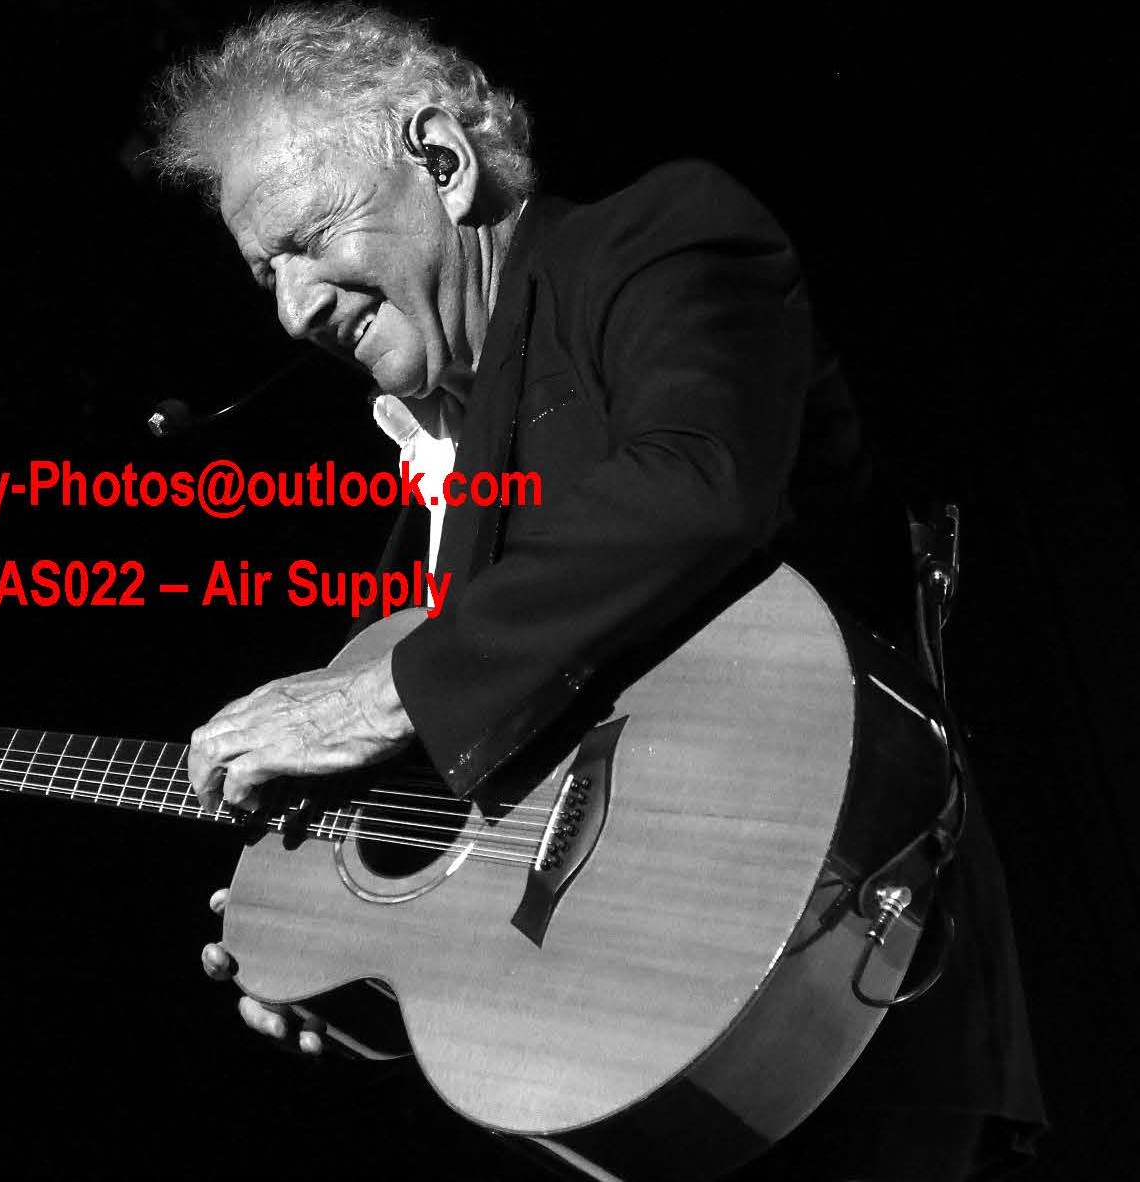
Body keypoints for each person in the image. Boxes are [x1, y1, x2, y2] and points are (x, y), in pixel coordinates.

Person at [155, 5, 1045, 1177]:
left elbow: (696, 481)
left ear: (442, 159)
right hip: (633, 1082)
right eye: (265, 273)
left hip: (847, 993)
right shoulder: (412, 532)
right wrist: (352, 975)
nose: (293, 308)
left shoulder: (652, 242)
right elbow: (492, 860)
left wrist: (377, 700)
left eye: (309, 239)